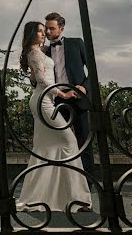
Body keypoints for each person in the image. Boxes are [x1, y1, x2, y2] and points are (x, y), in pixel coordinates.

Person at [15, 21, 92, 213]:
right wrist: (63, 94)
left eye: (47, 30)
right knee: (69, 143)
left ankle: (48, 195)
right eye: (41, 31)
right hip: (46, 102)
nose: (44, 34)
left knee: (45, 148)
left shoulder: (43, 50)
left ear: (61, 28)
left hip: (48, 100)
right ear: (33, 34)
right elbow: (41, 80)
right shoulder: (35, 52)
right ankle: (75, 196)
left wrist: (82, 87)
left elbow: (37, 76)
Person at [43, 11, 94, 176]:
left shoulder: (76, 43)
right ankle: (63, 180)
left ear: (61, 28)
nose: (48, 32)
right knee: (56, 142)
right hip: (55, 100)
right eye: (46, 29)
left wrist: (84, 88)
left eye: (52, 28)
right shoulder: (43, 51)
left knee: (83, 142)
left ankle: (87, 182)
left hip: (77, 99)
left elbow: (92, 69)